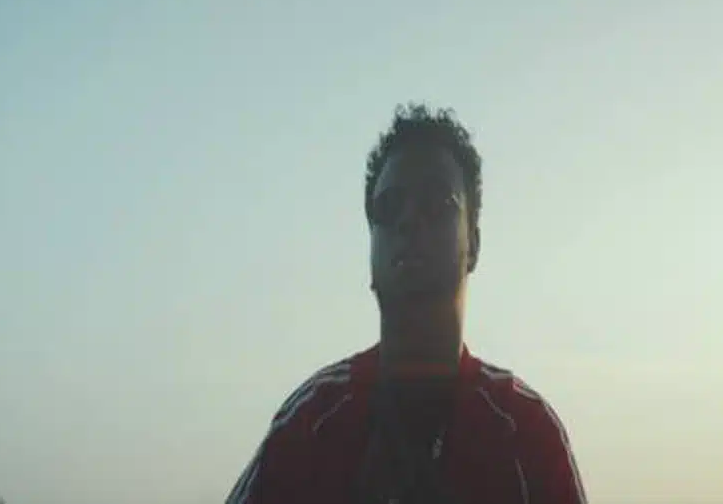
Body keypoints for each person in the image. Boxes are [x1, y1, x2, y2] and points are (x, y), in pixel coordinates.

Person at [224, 103, 587, 504]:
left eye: (436, 203)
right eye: (389, 207)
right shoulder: (311, 422)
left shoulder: (528, 433)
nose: (409, 220)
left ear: (473, 245)